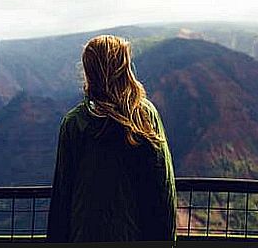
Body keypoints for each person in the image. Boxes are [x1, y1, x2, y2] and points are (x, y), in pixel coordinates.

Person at [46, 34, 177, 246]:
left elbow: (62, 194)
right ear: (122, 68)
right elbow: (164, 187)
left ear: (90, 71)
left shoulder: (75, 123)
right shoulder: (143, 116)